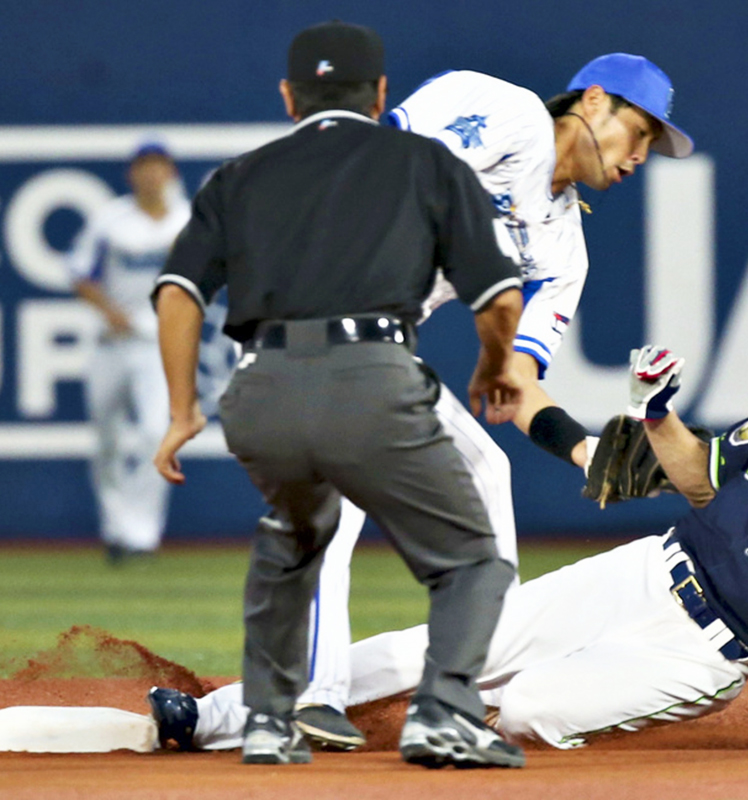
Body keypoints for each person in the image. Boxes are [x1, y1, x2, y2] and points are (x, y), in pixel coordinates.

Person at [152, 316, 748, 753]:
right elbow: (707, 482)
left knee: (518, 710)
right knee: (436, 645)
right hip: (647, 570)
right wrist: (660, 413)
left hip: (708, 650)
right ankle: (222, 717)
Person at [250, 52, 695, 751]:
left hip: (383, 346)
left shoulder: (562, 250)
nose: (641, 156)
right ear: (595, 100)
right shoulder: (505, 111)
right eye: (640, 132)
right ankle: (307, 693)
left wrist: (582, 451)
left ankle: (476, 684)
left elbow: (518, 383)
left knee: (486, 471)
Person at [151, 20, 528, 769]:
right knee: (472, 562)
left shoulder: (239, 174)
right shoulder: (425, 162)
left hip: (261, 389)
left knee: (290, 543)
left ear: (290, 97)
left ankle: (266, 720)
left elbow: (178, 293)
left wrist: (180, 411)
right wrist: (494, 363)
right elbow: (501, 296)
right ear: (381, 93)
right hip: (370, 377)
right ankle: (447, 713)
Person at [66, 142, 191, 564]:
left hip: (159, 346)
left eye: (158, 166)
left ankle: (140, 534)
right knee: (107, 441)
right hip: (111, 342)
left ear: (170, 172)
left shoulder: (187, 221)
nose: (151, 175)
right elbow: (79, 273)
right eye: (143, 167)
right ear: (131, 173)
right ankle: (116, 528)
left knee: (158, 433)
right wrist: (111, 312)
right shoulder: (111, 219)